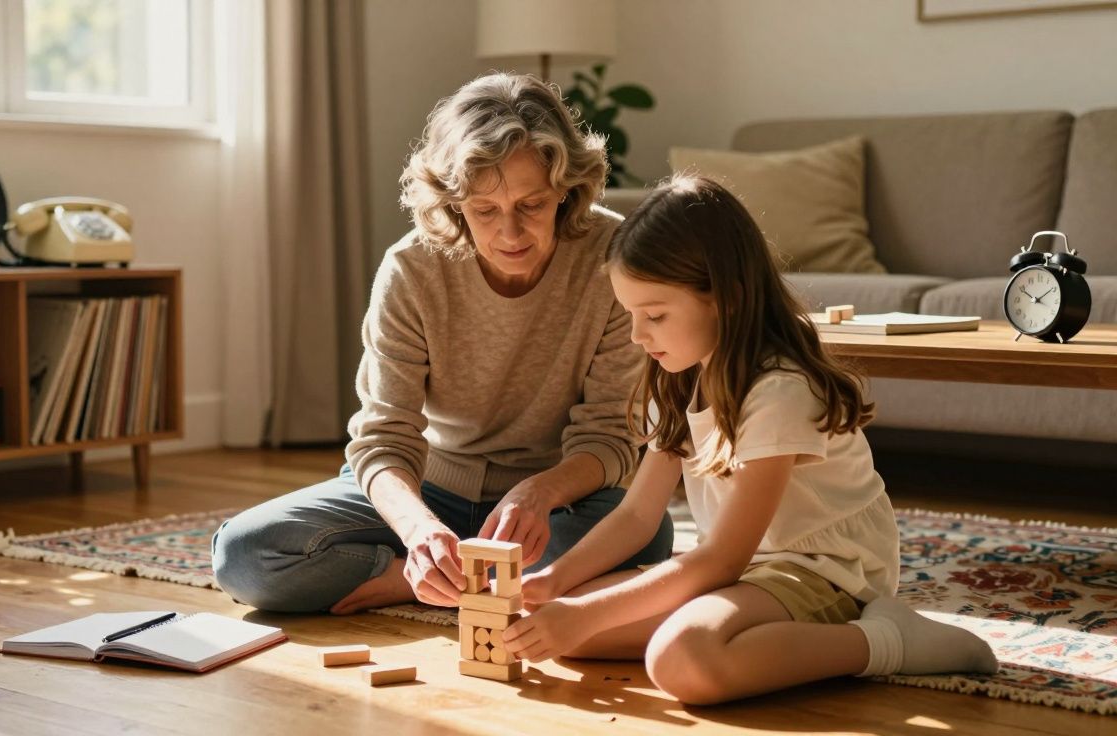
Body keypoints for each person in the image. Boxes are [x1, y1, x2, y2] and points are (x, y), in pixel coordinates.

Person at [501, 175, 998, 704]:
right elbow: (636, 515)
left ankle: (885, 640)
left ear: (726, 298)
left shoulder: (780, 390)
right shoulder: (679, 376)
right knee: (565, 632)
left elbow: (722, 560)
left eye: (655, 315)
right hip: (749, 570)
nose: (637, 336)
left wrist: (585, 612)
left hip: (822, 571)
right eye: (631, 315)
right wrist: (555, 582)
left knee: (682, 657)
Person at [211, 73, 672, 614]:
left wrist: (540, 492)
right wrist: (419, 532)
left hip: (557, 504)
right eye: (485, 211)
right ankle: (434, 576)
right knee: (243, 555)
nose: (511, 234)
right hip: (430, 486)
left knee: (650, 535)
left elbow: (610, 436)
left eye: (532, 205)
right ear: (455, 204)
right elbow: (384, 437)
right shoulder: (411, 269)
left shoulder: (614, 260)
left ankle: (444, 582)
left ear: (566, 189)